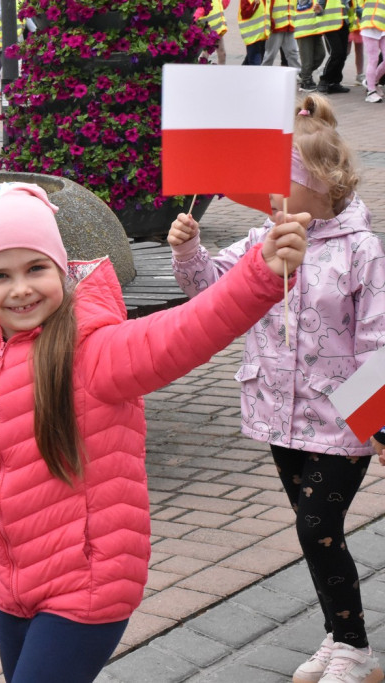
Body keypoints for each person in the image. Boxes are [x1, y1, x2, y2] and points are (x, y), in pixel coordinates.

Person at [0, 182, 309, 683]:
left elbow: (188, 330)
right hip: (14, 586)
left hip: (88, 583)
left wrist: (259, 275)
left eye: (36, 268)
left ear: (62, 269)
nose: (20, 288)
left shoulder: (94, 351)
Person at [168, 95, 385, 683]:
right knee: (316, 532)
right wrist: (188, 249)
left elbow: (375, 338)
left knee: (316, 527)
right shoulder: (263, 238)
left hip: (341, 417)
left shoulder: (360, 250)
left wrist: (378, 421)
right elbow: (211, 292)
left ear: (320, 184)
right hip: (277, 410)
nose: (267, 198)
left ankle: (358, 650)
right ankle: (339, 636)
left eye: (278, 184)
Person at [360, 0, 384, 102]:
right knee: (373, 60)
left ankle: (372, 81)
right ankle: (371, 91)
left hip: (383, 28)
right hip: (369, 27)